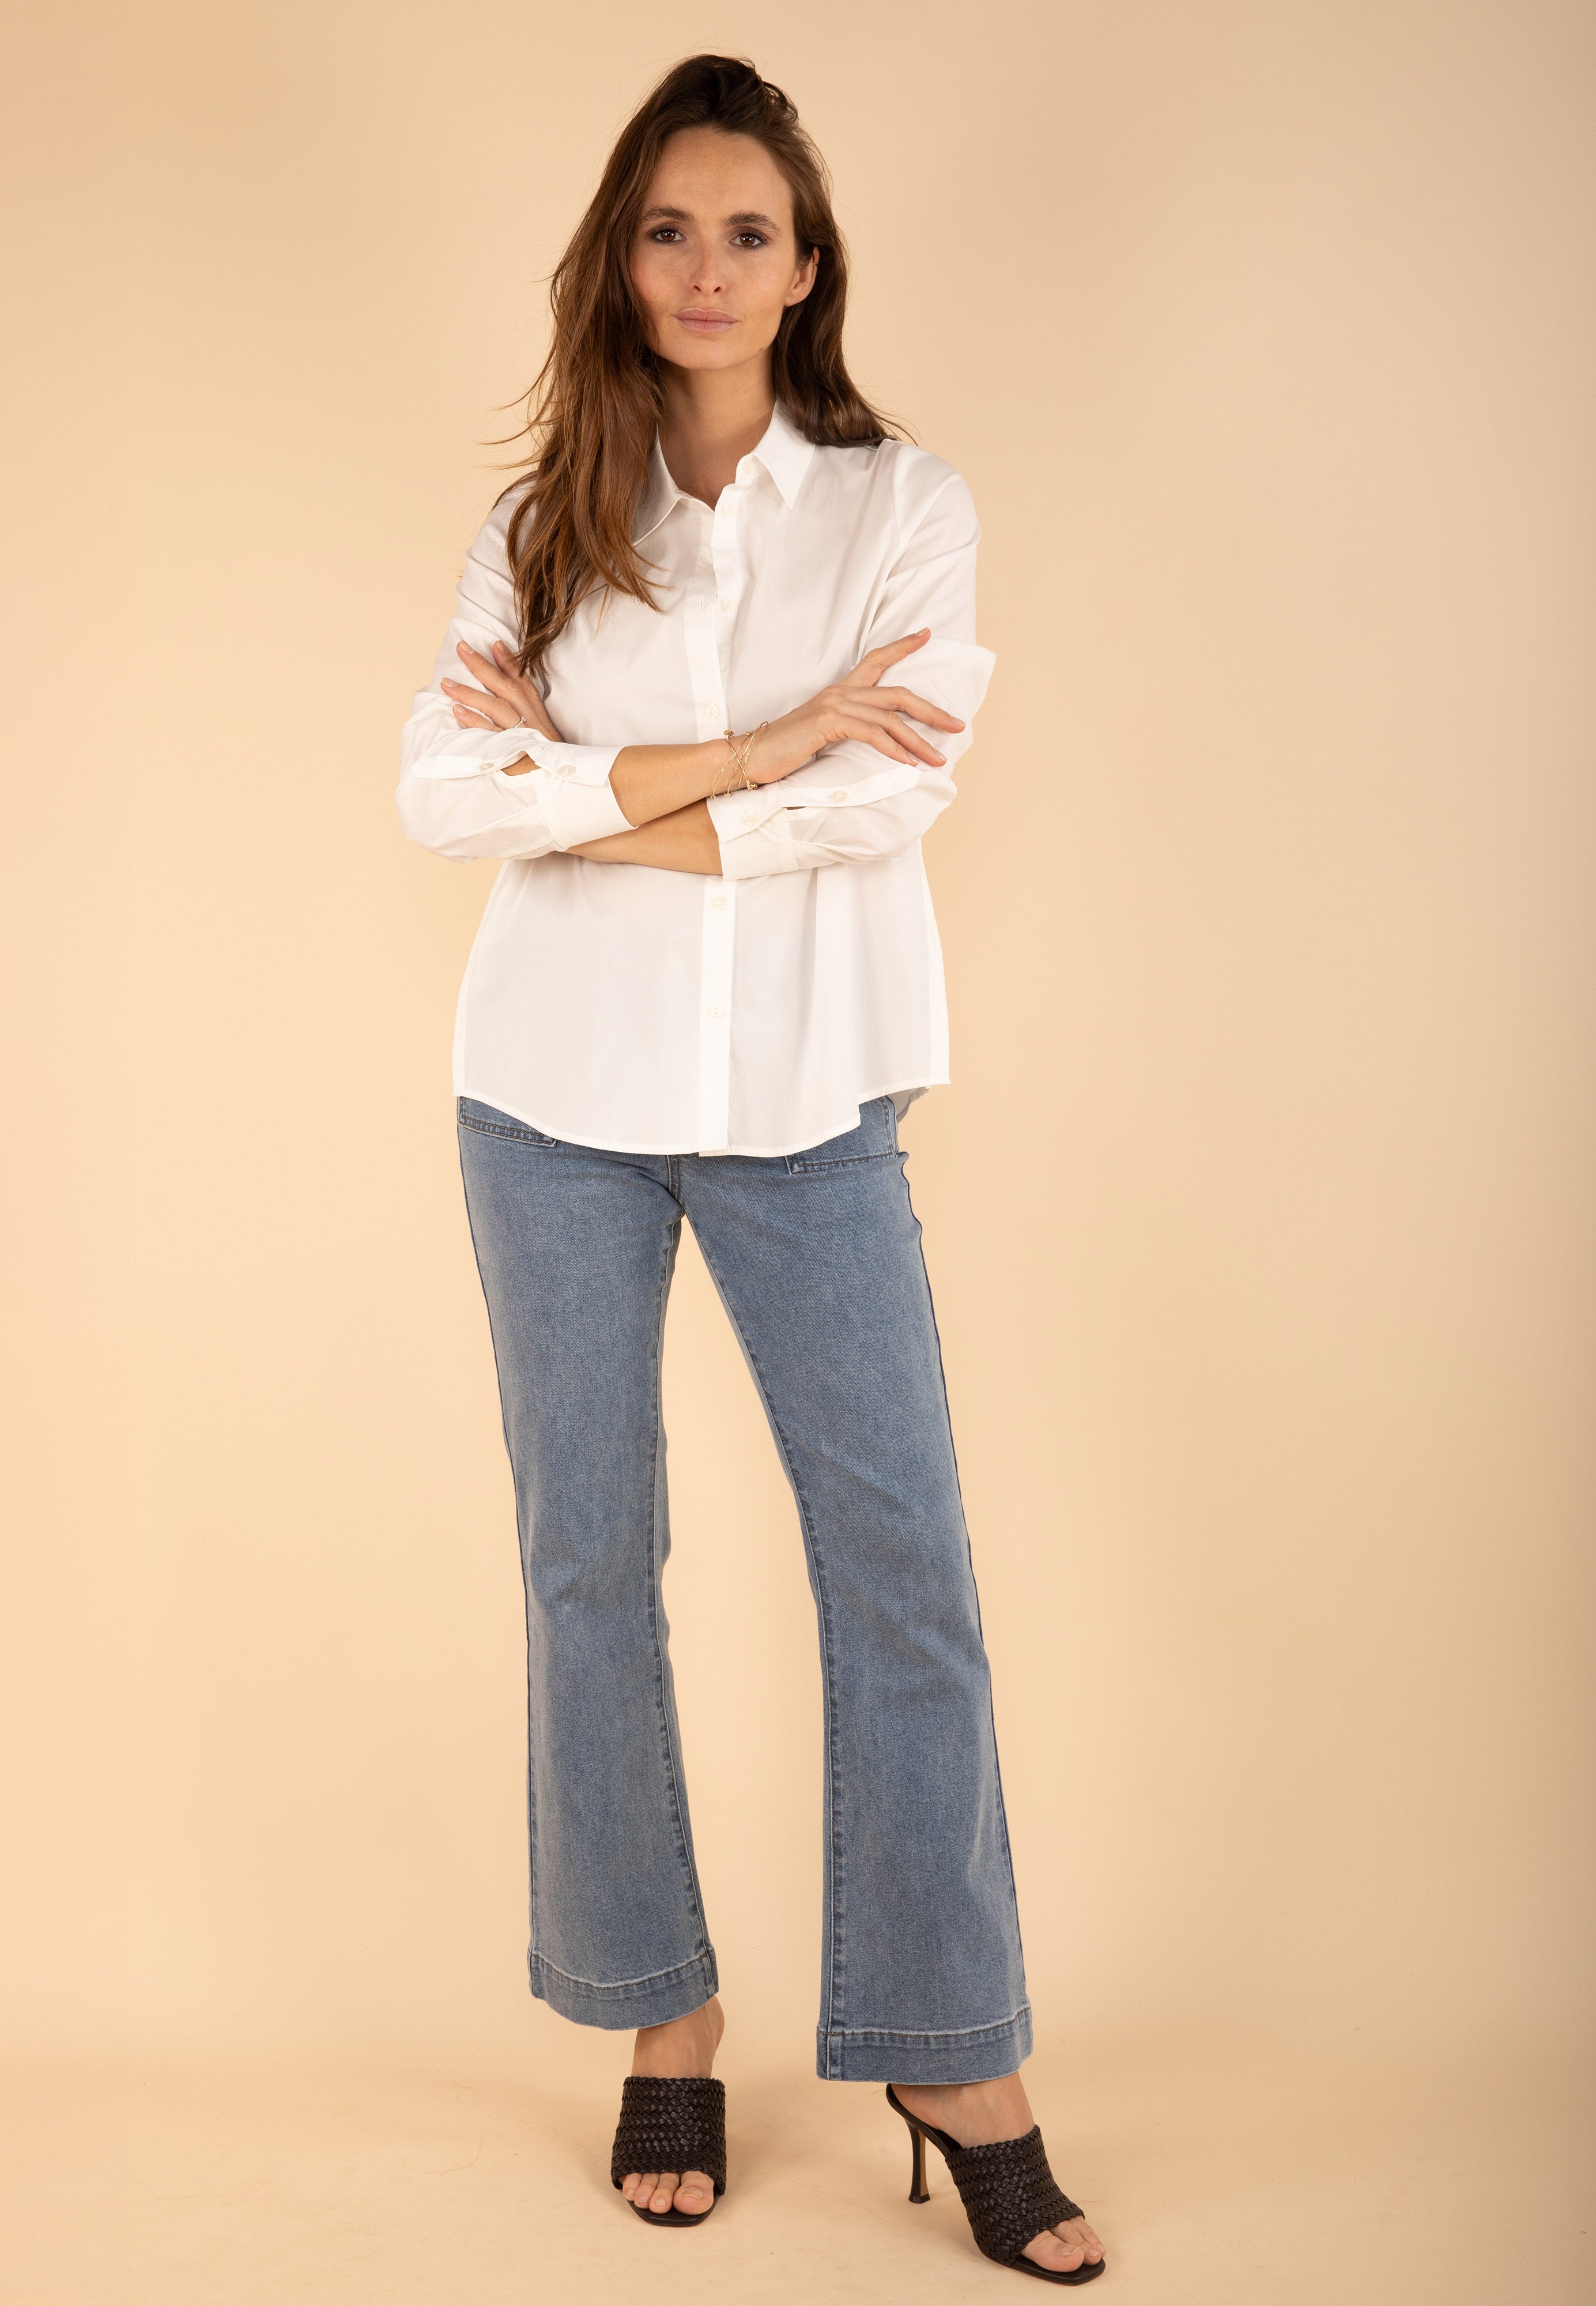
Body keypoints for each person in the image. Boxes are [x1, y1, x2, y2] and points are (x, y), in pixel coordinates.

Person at [396, 53, 1106, 2284]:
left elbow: (890, 800)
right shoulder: (543, 520)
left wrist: (605, 793)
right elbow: (442, 791)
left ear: (809, 270)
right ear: (622, 260)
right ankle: (663, 2017)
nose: (709, 270)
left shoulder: (905, 509)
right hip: (551, 1104)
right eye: (670, 230)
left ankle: (954, 2057)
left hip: (813, 1105)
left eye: (751, 234)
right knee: (587, 1563)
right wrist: (766, 745)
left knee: (906, 1568)